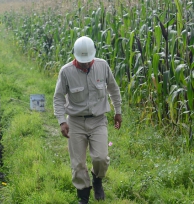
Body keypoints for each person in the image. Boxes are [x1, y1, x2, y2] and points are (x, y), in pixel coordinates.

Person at [53, 36, 122, 204]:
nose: (85, 64)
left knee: (101, 158)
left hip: (98, 120)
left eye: (88, 61)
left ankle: (97, 180)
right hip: (76, 122)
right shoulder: (66, 71)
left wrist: (118, 111)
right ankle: (83, 196)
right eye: (82, 61)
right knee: (78, 164)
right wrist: (62, 121)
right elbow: (58, 97)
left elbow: (113, 88)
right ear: (75, 56)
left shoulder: (102, 66)